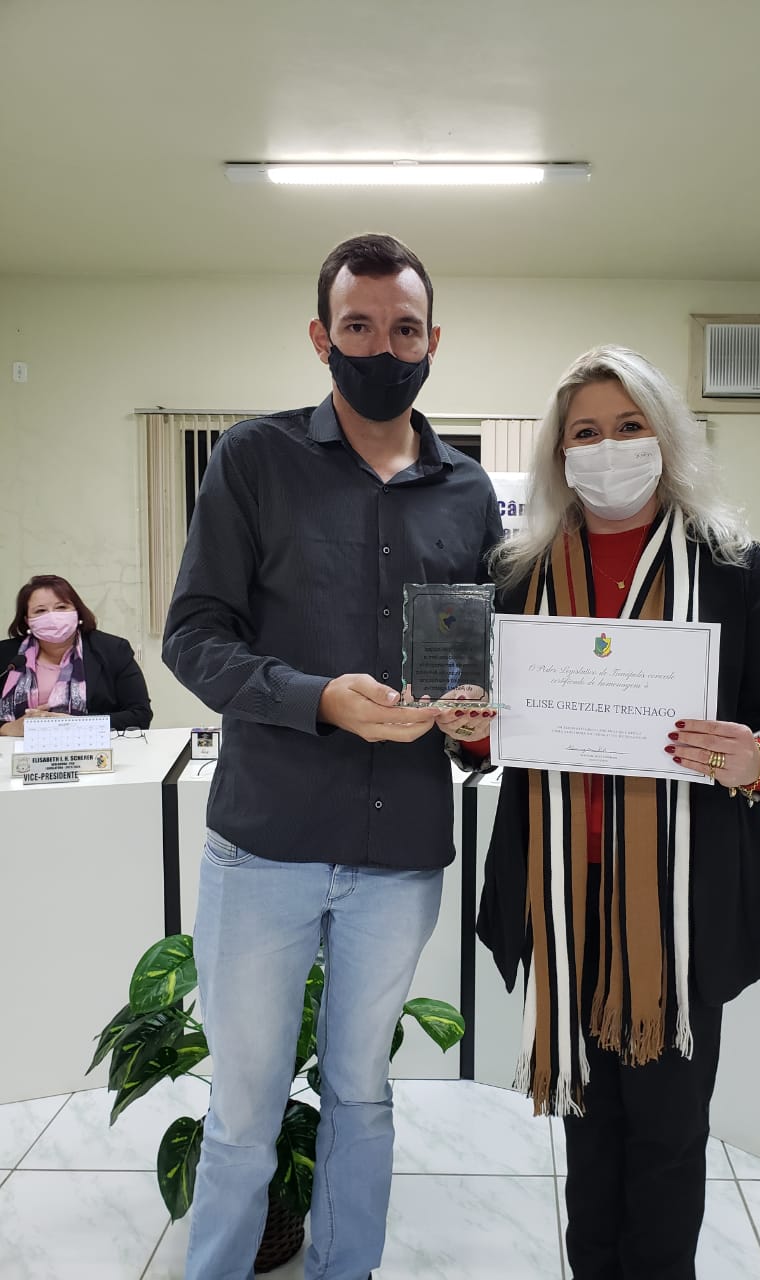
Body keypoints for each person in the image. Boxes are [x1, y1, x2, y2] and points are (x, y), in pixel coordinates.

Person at [162, 233, 502, 1280]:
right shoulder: (253, 459)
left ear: (434, 340)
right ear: (322, 337)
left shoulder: (469, 492)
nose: (382, 348)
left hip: (400, 852)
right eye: (359, 327)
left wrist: (476, 720)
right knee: (243, 1109)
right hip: (264, 842)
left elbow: (474, 661)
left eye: (404, 329)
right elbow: (194, 636)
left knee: (363, 1093)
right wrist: (320, 700)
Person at [475, 345, 760, 1280]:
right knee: (588, 1132)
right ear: (558, 453)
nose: (608, 447)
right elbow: (488, 727)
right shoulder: (519, 572)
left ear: (666, 438)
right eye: (585, 432)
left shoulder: (731, 565)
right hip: (564, 894)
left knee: (667, 1135)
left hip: (682, 903)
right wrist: (470, 729)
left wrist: (759, 756)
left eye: (629, 427)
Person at [0, 574, 152, 735]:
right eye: (40, 611)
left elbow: (140, 715)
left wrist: (74, 724)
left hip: (91, 747)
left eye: (61, 607)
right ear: (27, 620)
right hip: (15, 749)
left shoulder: (112, 650)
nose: (52, 616)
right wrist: (8, 728)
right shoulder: (5, 654)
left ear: (77, 611)